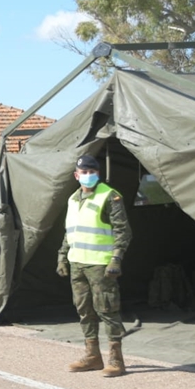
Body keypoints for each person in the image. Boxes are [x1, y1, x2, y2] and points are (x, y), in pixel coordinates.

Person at [57, 154, 132, 377]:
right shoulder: (72, 199)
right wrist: (62, 256)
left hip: (101, 265)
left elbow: (123, 232)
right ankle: (92, 356)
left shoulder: (109, 196)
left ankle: (116, 359)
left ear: (97, 174)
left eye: (92, 172)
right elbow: (70, 232)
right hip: (78, 263)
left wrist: (116, 259)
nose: (88, 176)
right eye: (84, 172)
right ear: (76, 175)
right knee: (84, 310)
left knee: (107, 309)